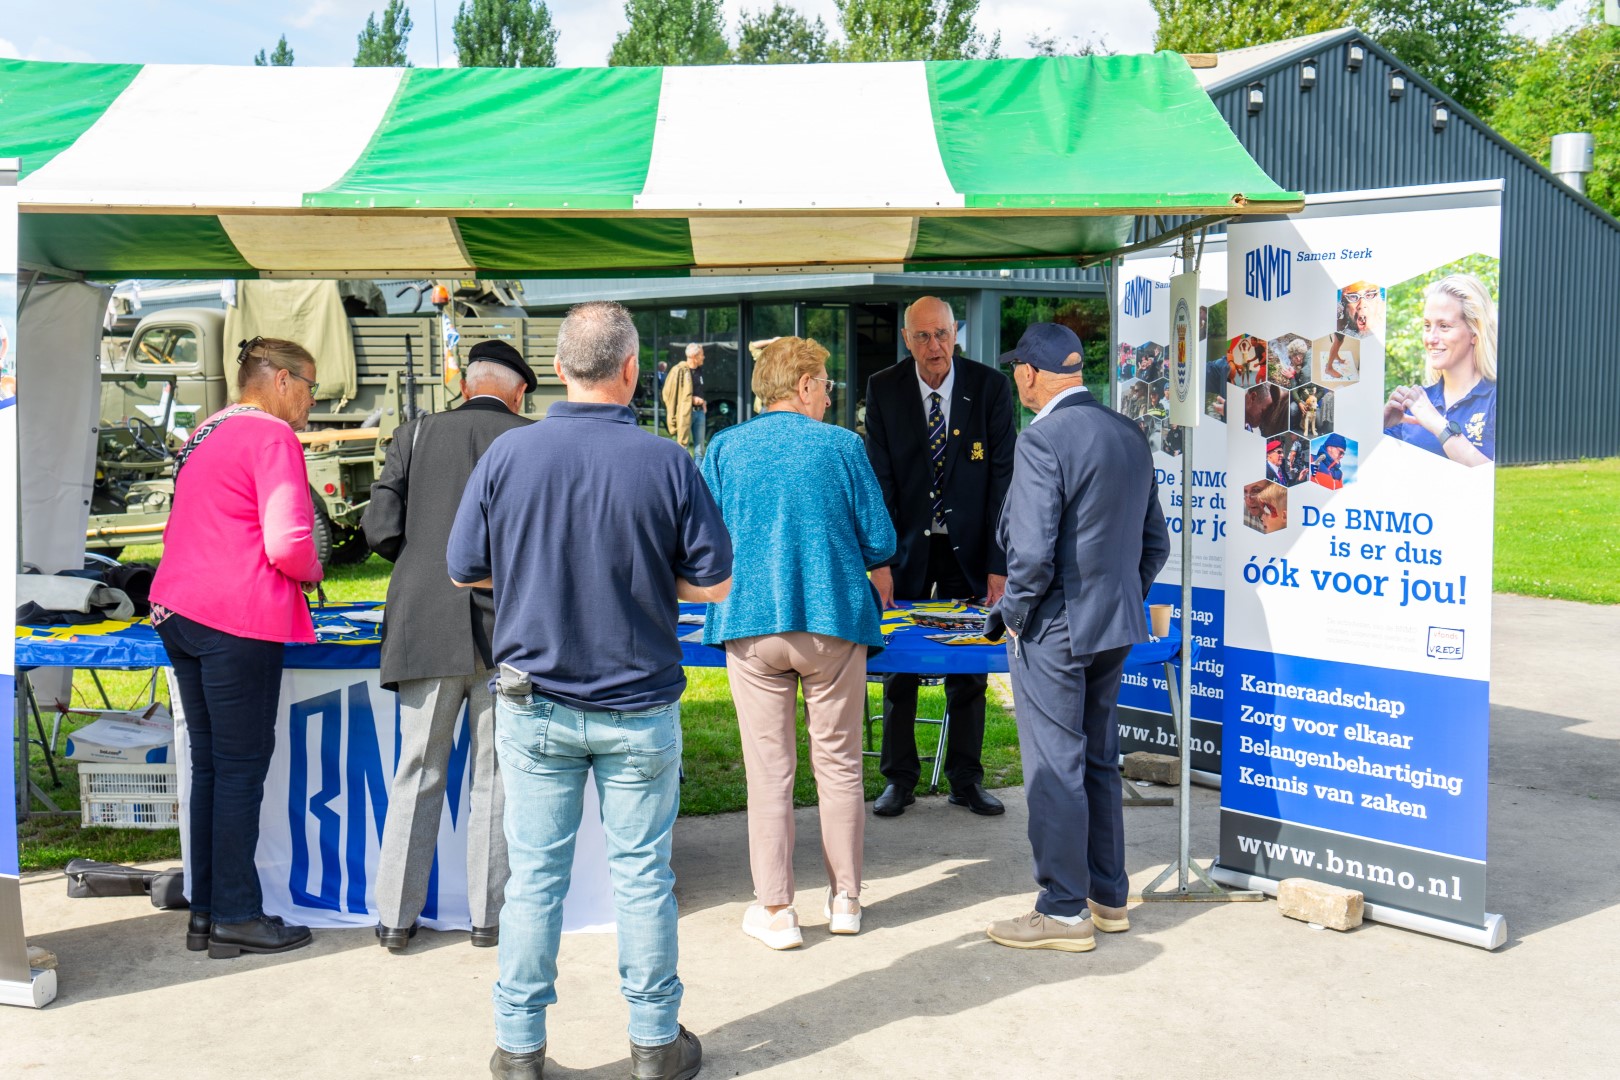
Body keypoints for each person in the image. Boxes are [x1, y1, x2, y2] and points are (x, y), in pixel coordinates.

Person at [448, 301, 733, 1080]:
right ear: (633, 369)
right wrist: (643, 573)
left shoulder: (508, 456)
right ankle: (653, 1044)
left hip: (534, 700)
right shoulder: (667, 460)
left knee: (535, 876)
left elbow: (463, 566)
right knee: (643, 875)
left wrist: (540, 571)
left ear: (565, 368)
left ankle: (520, 1049)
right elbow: (715, 582)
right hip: (638, 705)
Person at [700, 336, 896, 951]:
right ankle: (846, 900)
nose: (831, 394)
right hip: (832, 622)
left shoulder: (725, 447)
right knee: (839, 766)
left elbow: (699, 537)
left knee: (769, 773)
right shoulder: (843, 447)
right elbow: (881, 541)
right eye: (827, 384)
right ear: (805, 385)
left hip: (750, 621)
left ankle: (777, 909)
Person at [984, 323, 1169, 952]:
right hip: (1113, 624)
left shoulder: (1043, 440)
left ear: (1032, 374)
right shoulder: (1128, 433)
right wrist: (1121, 597)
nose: (1015, 379)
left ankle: (1062, 910)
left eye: (1018, 369)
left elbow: (1030, 556)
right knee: (1096, 758)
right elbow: (1154, 544)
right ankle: (1107, 898)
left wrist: (1012, 613)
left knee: (1055, 766)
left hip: (1054, 629)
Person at [148, 337, 324, 959]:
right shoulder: (271, 436)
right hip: (236, 615)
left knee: (213, 768)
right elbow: (288, 541)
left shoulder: (207, 430)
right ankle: (238, 916)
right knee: (241, 770)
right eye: (310, 386)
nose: (311, 401)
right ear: (280, 380)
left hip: (179, 607)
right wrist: (313, 574)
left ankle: (208, 912)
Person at [362, 340, 537, 953]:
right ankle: (488, 919)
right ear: (517, 391)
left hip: (424, 621)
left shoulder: (413, 435)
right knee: (496, 777)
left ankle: (395, 919)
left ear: (467, 384)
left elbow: (379, 528)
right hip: (509, 628)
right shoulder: (528, 439)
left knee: (417, 770)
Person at [863, 295, 1016, 819]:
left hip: (971, 551)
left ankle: (966, 778)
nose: (936, 347)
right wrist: (880, 559)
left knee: (969, 666)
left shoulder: (991, 387)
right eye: (923, 337)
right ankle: (899, 779)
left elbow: (1004, 482)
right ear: (907, 340)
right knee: (897, 663)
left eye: (944, 334)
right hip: (906, 550)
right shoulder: (883, 389)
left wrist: (999, 563)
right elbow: (879, 481)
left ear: (957, 333)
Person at [1382, 274, 1496, 466]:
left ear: (1474, 333)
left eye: (1444, 326)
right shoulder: (1416, 402)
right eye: (1427, 326)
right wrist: (1380, 426)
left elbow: (1503, 478)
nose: (1431, 338)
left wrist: (1438, 425)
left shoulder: (1497, 399)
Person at [661, 342, 707, 458]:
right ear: (694, 357)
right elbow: (668, 393)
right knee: (682, 448)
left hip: (700, 412)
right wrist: (690, 399)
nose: (703, 357)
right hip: (685, 414)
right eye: (701, 355)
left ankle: (699, 475)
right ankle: (684, 475)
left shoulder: (699, 371)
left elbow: (698, 390)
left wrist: (703, 403)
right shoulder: (679, 370)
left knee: (700, 451)